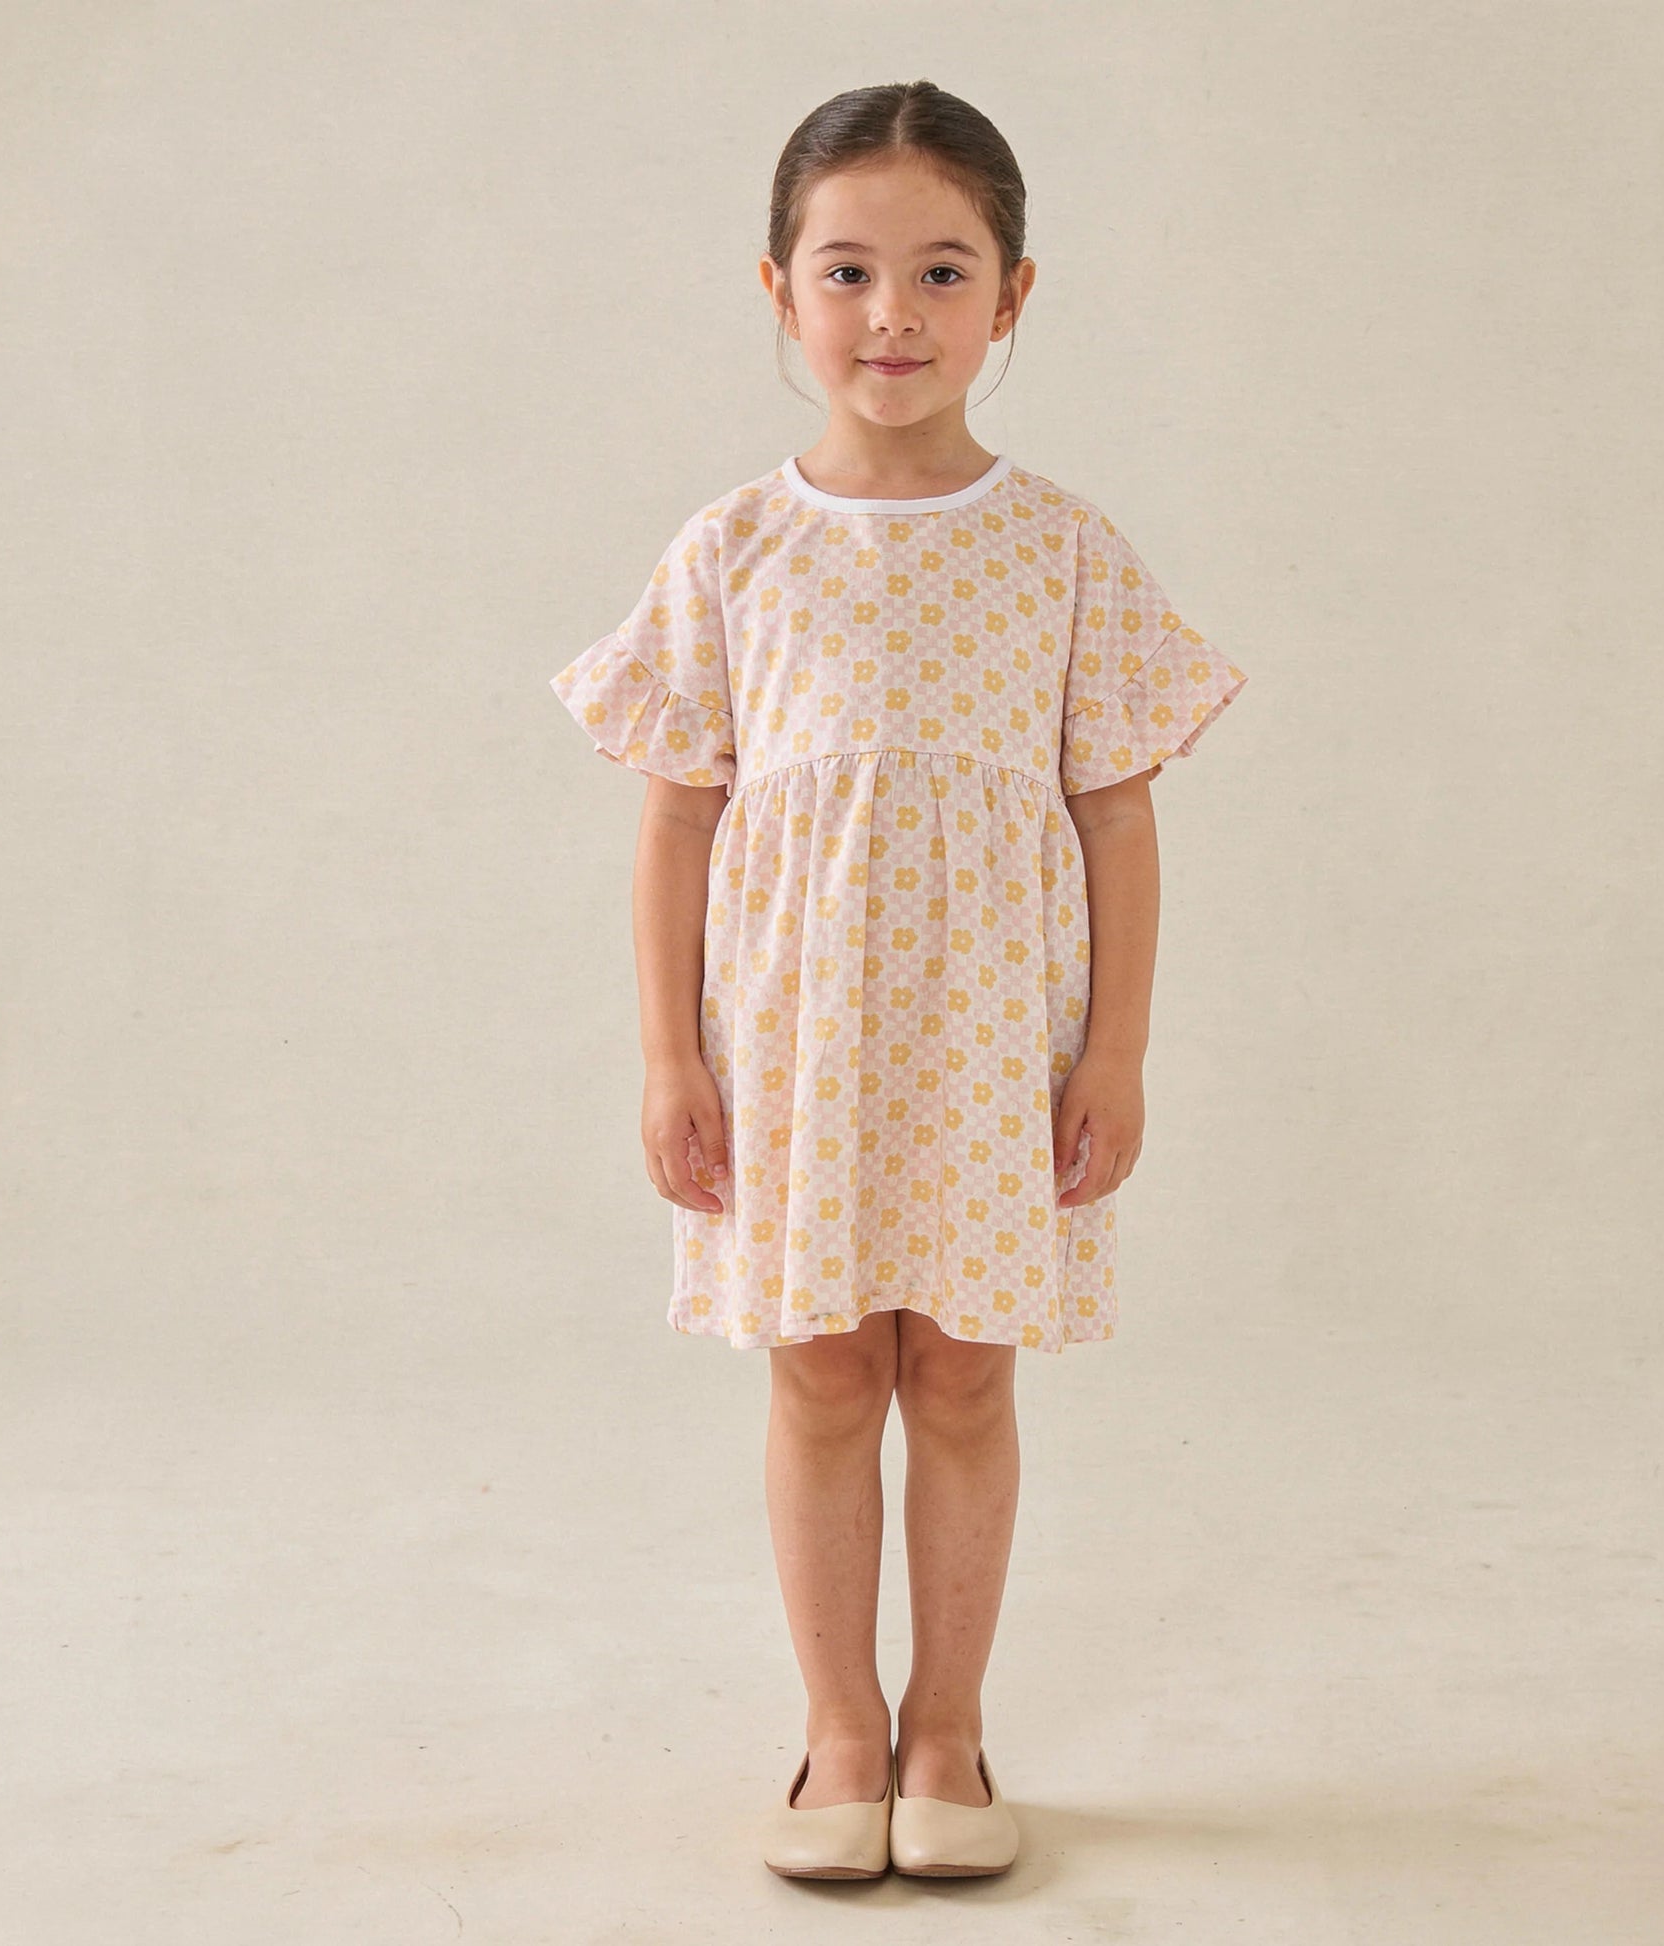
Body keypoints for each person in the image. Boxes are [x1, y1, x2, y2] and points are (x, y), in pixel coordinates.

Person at [548, 80, 1248, 1880]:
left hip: (993, 1038)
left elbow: (1115, 812)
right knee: (819, 1374)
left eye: (942, 271)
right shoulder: (732, 548)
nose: (892, 314)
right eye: (846, 270)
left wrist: (1116, 1053)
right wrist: (667, 1057)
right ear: (777, 288)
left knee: (958, 1374)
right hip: (791, 1039)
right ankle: (839, 1728)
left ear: (1011, 295)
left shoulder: (1060, 545)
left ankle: (948, 1723)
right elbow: (677, 819)